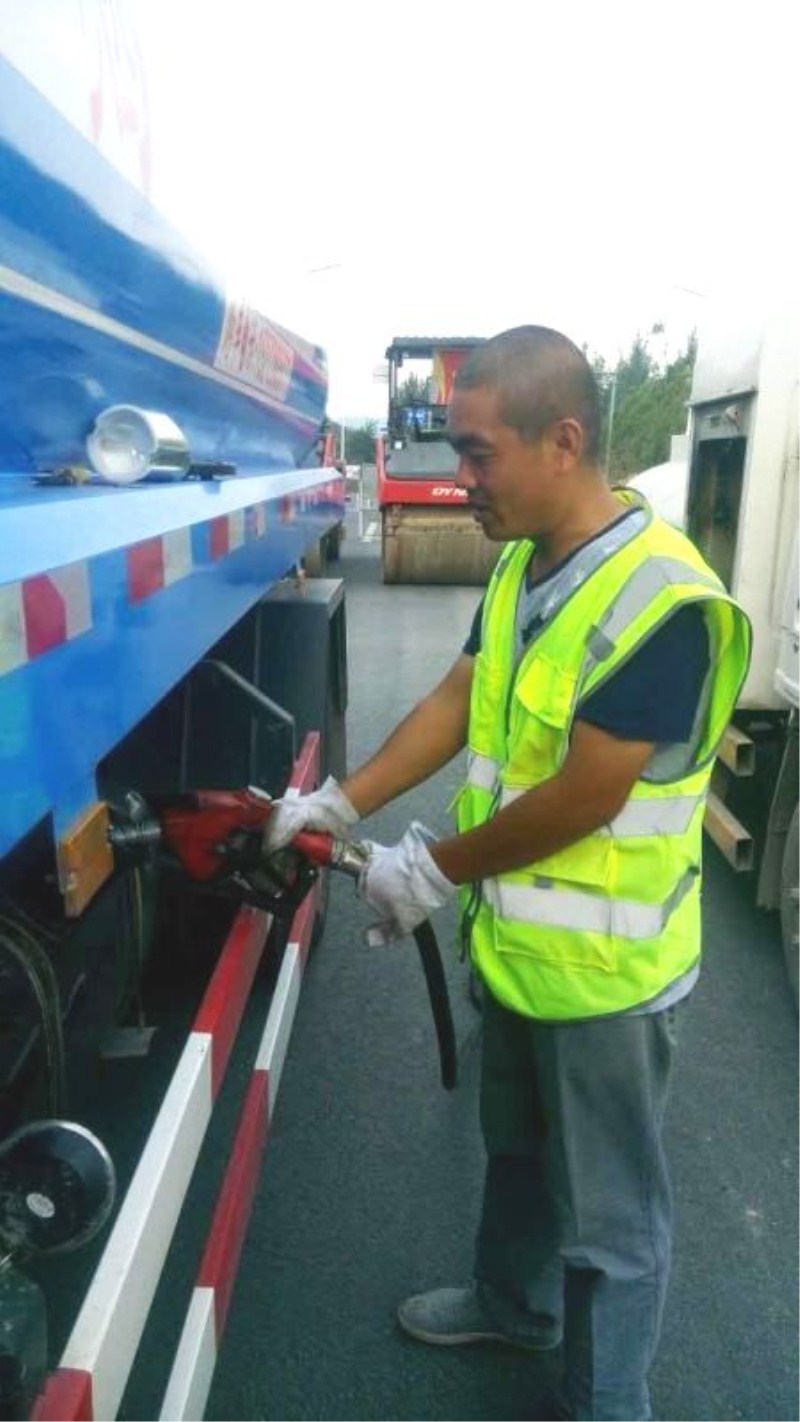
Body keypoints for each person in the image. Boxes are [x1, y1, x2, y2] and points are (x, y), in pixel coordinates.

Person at [264, 326, 751, 1421]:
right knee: (519, 1153)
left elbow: (587, 793)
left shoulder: (659, 600)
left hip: (609, 979)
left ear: (563, 442)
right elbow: (456, 697)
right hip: (523, 949)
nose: (461, 478)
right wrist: (342, 801)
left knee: (610, 1219)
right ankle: (513, 1306)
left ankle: (607, 1400)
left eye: (479, 454)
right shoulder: (528, 563)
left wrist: (431, 870)